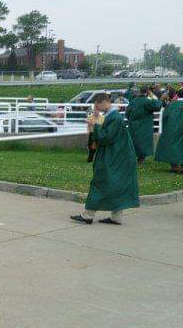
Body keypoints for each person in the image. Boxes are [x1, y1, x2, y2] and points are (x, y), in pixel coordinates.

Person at [71, 93, 139, 225]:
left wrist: (94, 125)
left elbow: (105, 138)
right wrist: (96, 119)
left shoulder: (114, 118)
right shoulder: (112, 116)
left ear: (104, 102)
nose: (96, 108)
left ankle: (88, 214)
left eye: (97, 106)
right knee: (117, 185)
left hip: (113, 156)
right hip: (118, 155)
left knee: (100, 181)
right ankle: (116, 216)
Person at [125, 86, 163, 163]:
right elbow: (158, 105)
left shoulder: (133, 102)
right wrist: (152, 95)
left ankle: (133, 158)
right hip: (144, 126)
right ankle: (141, 159)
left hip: (133, 126)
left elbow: (127, 114)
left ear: (140, 92)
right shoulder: (147, 101)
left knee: (133, 142)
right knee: (143, 143)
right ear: (147, 92)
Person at [154, 88, 183, 173]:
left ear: (177, 95)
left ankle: (174, 167)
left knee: (172, 147)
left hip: (171, 129)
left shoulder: (171, 105)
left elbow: (164, 118)